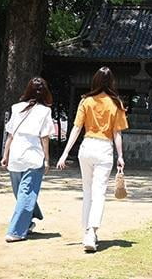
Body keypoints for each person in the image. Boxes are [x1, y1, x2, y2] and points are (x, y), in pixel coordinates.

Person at [56, 66, 128, 253]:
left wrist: (64, 153)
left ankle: (86, 231)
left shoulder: (86, 102)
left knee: (87, 191)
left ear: (95, 81)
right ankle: (92, 231)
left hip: (86, 147)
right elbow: (117, 133)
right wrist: (120, 156)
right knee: (99, 193)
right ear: (112, 82)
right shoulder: (116, 103)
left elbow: (76, 128)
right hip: (104, 148)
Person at [0, 76, 54, 242]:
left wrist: (5, 154)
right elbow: (44, 137)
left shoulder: (16, 108)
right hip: (33, 155)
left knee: (21, 192)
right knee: (26, 193)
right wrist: (47, 159)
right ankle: (16, 231)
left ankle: (28, 219)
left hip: (16, 154)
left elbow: (10, 134)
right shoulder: (45, 111)